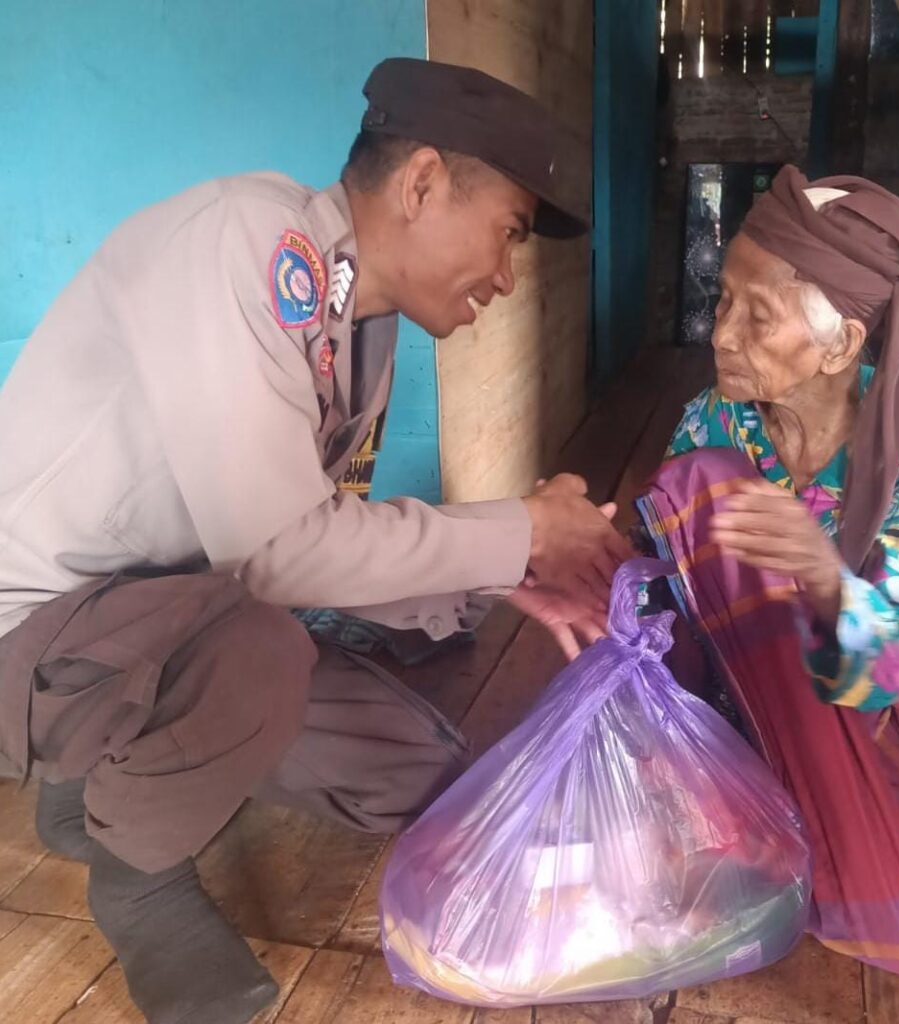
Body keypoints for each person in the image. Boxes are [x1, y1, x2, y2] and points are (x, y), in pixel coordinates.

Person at [0, 58, 626, 1023]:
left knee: (420, 767)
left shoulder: (359, 329)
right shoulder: (248, 244)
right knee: (260, 651)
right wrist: (518, 532)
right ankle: (136, 879)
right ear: (420, 183)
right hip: (35, 632)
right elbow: (281, 555)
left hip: (164, 617)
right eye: (506, 235)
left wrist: (508, 569)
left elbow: (322, 549)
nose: (505, 278)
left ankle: (94, 779)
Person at [637, 165, 899, 984]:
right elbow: (671, 589)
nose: (720, 332)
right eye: (724, 300)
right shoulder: (716, 424)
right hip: (741, 710)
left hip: (876, 735)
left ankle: (805, 835)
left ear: (841, 344)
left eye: (756, 315)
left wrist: (820, 575)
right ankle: (748, 811)